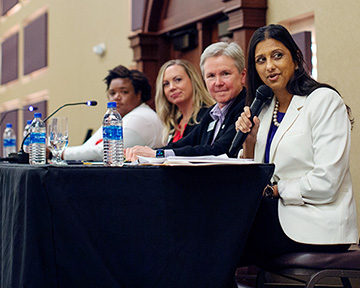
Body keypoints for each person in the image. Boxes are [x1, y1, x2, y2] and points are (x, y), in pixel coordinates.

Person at [235, 24, 358, 265]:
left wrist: (274, 191)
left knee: (221, 236)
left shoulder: (323, 101)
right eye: (261, 60)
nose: (269, 66)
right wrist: (249, 143)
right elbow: (253, 179)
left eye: (277, 55)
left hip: (317, 222)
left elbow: (327, 181)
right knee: (215, 234)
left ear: (295, 57)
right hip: (275, 216)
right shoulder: (266, 109)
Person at [125, 41, 247, 161]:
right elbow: (185, 143)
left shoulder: (246, 107)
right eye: (211, 76)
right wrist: (152, 153)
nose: (218, 83)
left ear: (242, 76)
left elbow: (218, 151)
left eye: (225, 74)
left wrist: (158, 154)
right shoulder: (212, 112)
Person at [63, 65, 164, 161]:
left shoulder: (141, 117)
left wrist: (59, 153)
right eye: (112, 93)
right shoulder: (115, 117)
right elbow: (88, 147)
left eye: (124, 92)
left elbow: (106, 153)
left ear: (138, 95)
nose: (116, 97)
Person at [155, 59, 214, 144]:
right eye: (166, 84)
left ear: (193, 80)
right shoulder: (174, 122)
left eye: (178, 80)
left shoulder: (209, 115)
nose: (172, 87)